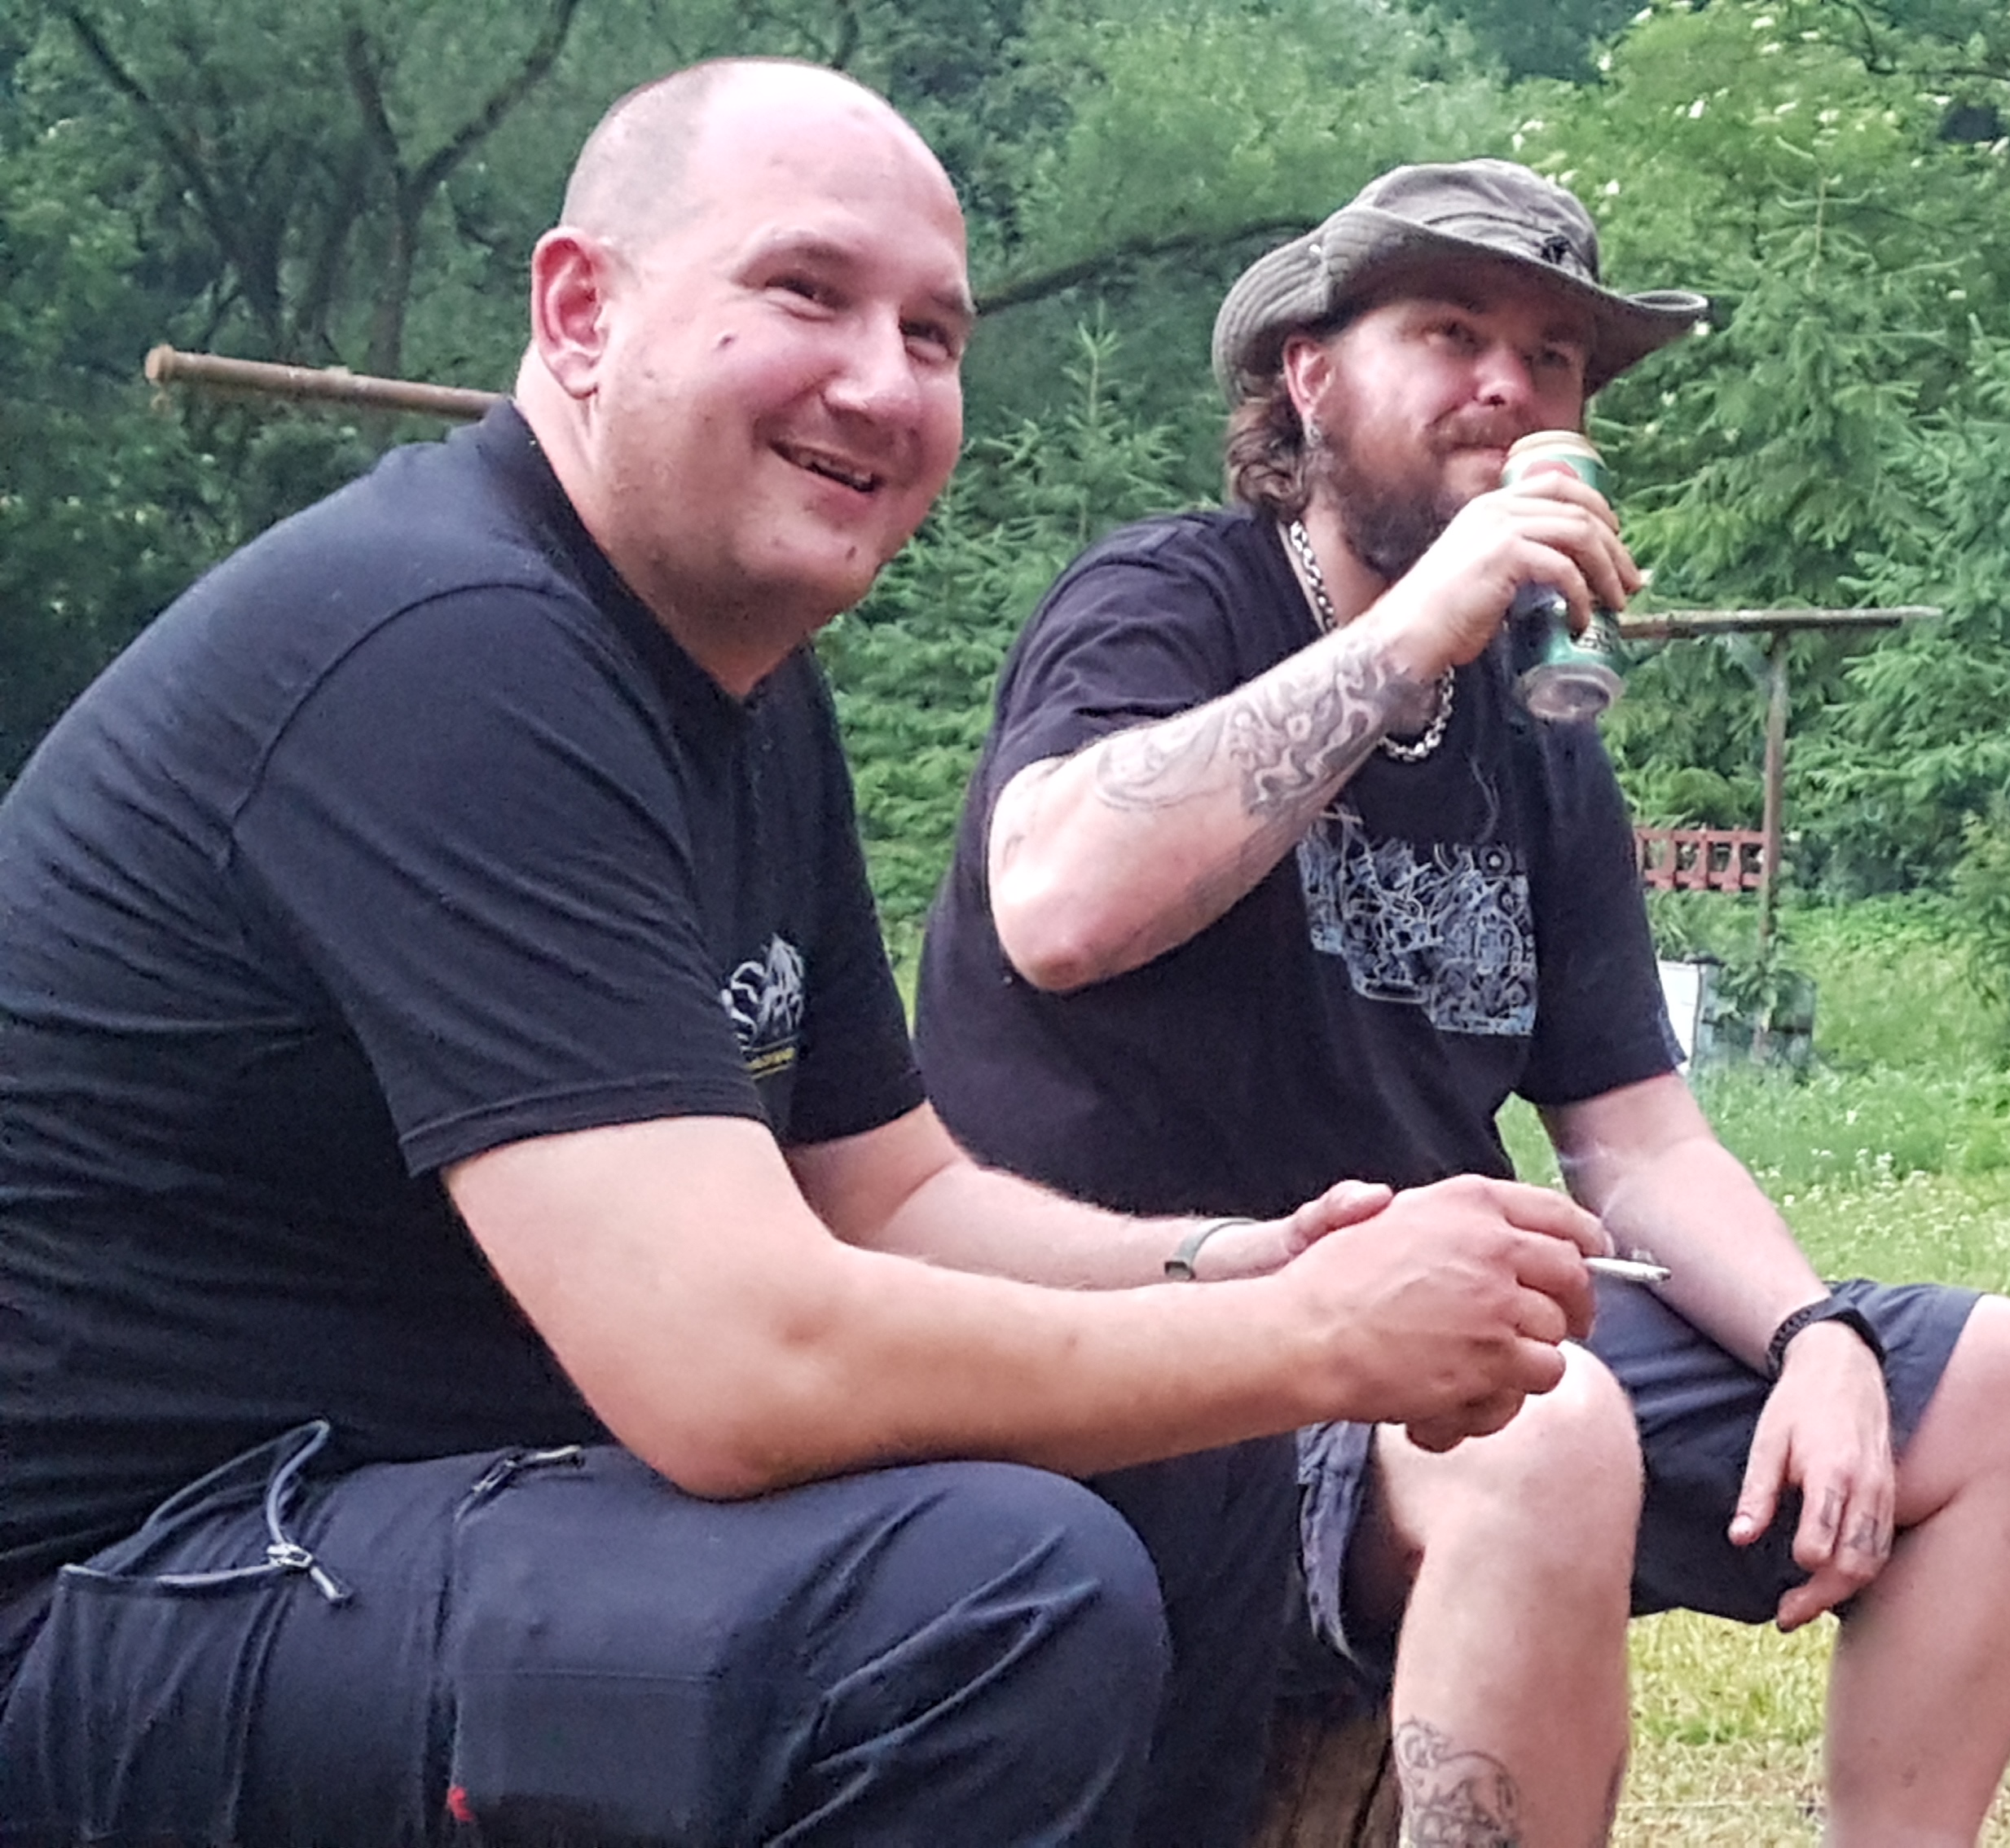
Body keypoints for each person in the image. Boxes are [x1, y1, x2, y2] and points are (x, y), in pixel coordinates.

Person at [0, 65, 1614, 1848]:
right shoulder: (442, 647)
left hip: (407, 1508)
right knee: (980, 1600)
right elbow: (733, 1368)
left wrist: (1228, 1262)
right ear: (580, 312)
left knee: (1185, 1470)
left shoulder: (742, 694)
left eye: (933, 335)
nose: (882, 382)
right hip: (126, 1582)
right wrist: (1311, 1338)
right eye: (805, 292)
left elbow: (887, 1196)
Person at [917, 159, 2010, 1846]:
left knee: (2008, 1390)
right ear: (1308, 377)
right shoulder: (1170, 602)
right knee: (1547, 1431)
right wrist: (1415, 629)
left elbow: (1634, 1135)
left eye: (1552, 357)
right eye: (1450, 333)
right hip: (1141, 1349)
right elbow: (1054, 908)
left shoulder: (1534, 733)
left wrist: (1813, 1334)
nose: (1509, 385)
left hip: (1440, 1342)